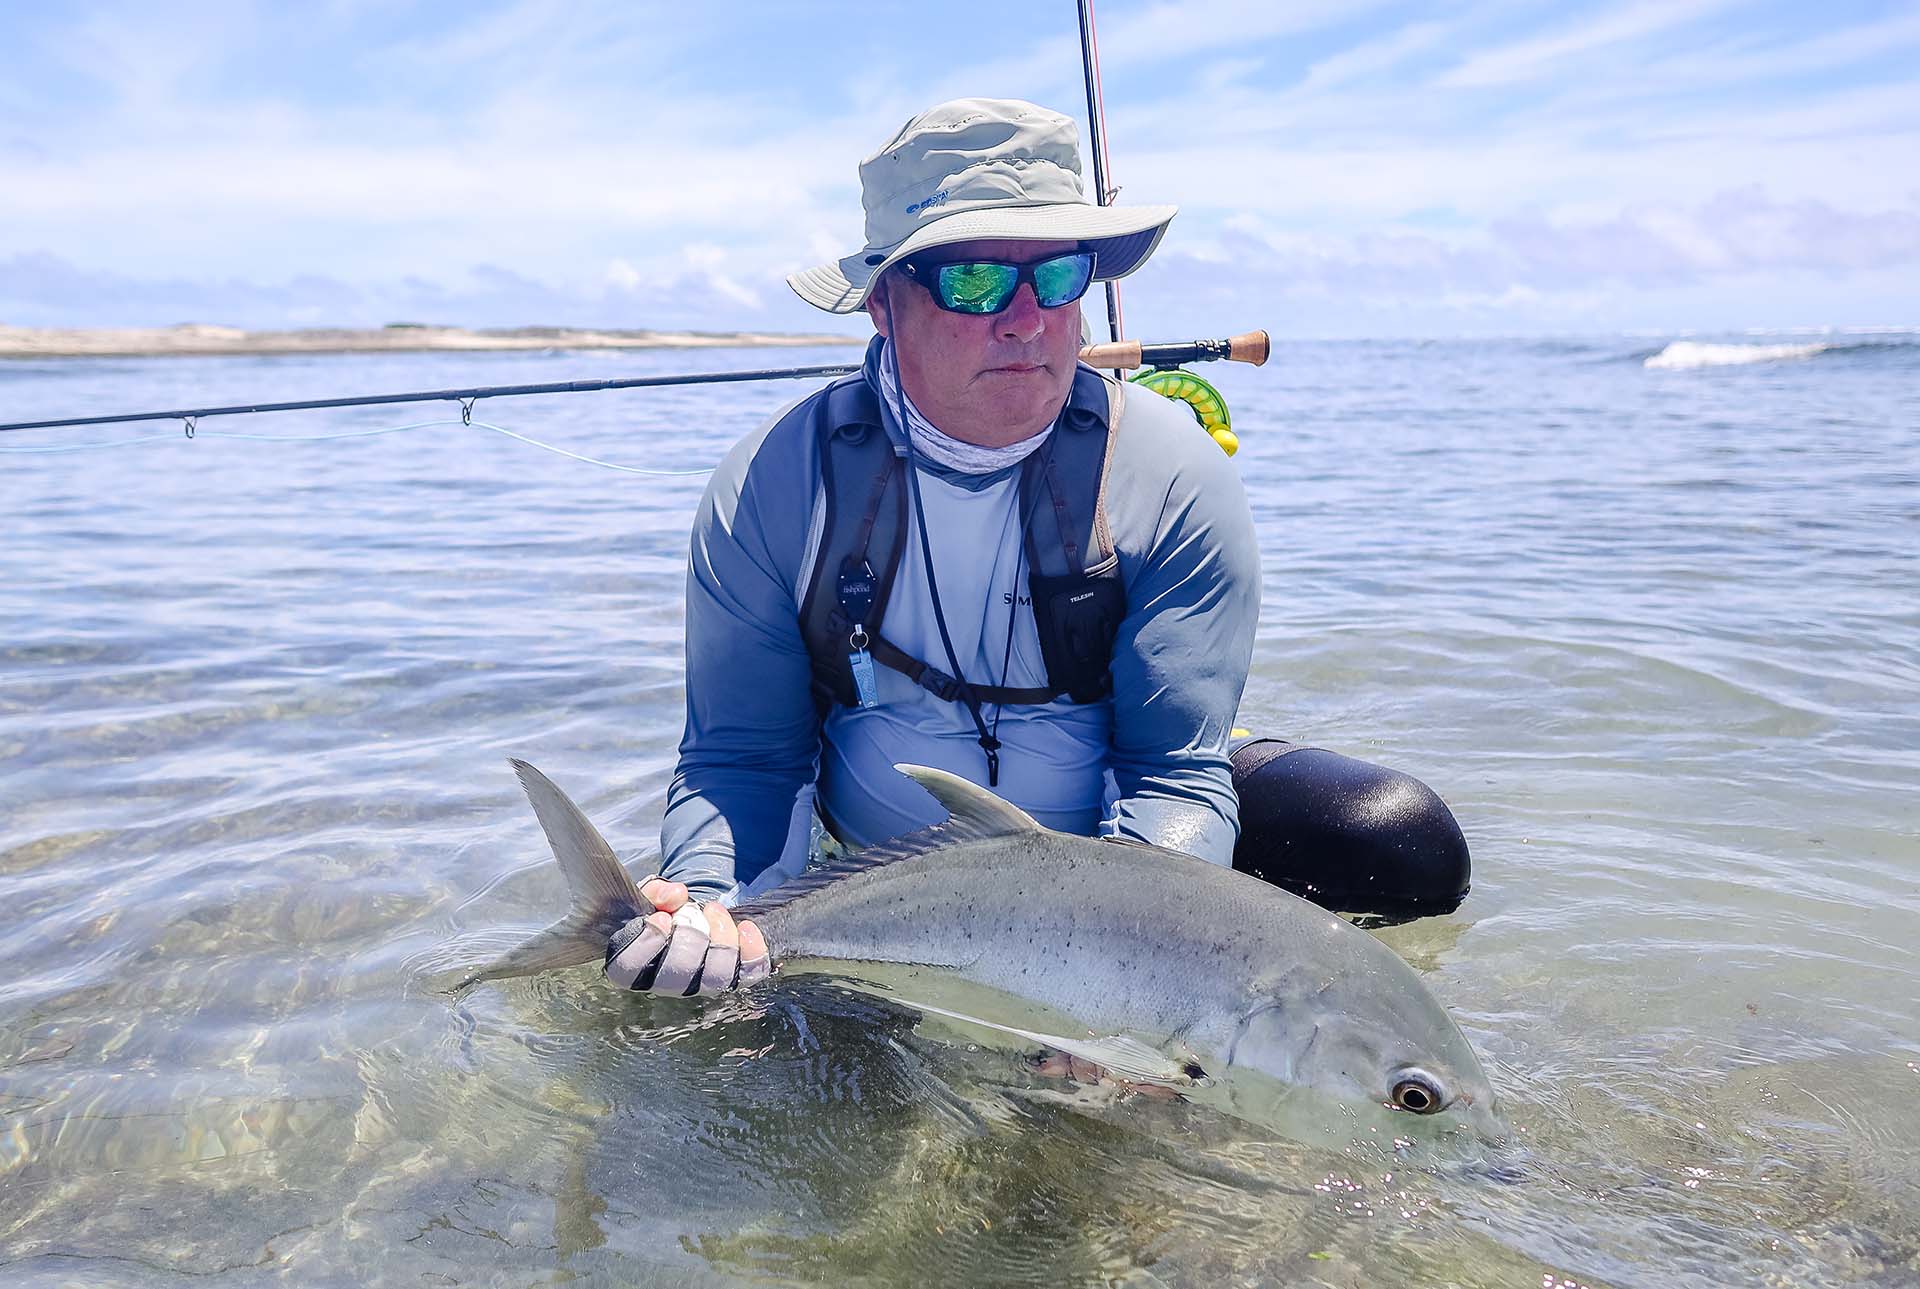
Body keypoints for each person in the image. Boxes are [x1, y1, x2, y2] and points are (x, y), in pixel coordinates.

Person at [603, 97, 1259, 996]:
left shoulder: (1176, 476)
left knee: (1393, 837)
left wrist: (1125, 983)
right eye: (977, 282)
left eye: (1059, 276)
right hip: (867, 885)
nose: (1026, 320)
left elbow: (1172, 772)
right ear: (882, 302)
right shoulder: (772, 486)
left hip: (1111, 888)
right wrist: (718, 912)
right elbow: (746, 759)